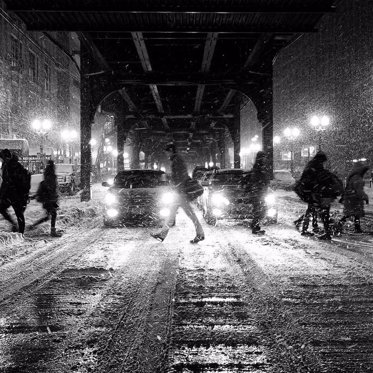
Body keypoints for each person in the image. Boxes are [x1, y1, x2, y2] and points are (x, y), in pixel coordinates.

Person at [151, 143, 205, 243]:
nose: (167, 155)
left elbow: (179, 177)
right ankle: (163, 234)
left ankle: (200, 233)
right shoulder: (177, 160)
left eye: (167, 152)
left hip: (181, 192)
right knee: (176, 213)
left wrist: (172, 182)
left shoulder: (176, 161)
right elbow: (180, 176)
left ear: (171, 151)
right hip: (180, 191)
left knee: (187, 214)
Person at [297, 151, 343, 240]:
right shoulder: (317, 169)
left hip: (316, 193)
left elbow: (308, 180)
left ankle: (306, 228)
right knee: (322, 213)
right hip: (320, 194)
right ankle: (327, 232)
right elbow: (315, 180)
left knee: (313, 211)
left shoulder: (312, 167)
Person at [0, 149, 30, 234]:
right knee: (17, 213)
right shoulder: (7, 165)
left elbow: (8, 182)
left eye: (2, 158)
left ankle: (20, 232)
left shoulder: (14, 166)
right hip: (12, 194)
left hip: (16, 194)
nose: (2, 159)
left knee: (18, 213)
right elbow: (6, 182)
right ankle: (17, 228)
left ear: (6, 157)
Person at [29, 160, 62, 237]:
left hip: (47, 199)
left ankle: (34, 225)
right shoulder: (52, 175)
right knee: (53, 214)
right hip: (50, 199)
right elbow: (52, 187)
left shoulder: (47, 173)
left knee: (48, 216)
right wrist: (54, 195)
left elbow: (45, 185)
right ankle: (52, 231)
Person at [335, 162, 369, 235]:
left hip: (350, 198)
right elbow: (359, 190)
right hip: (354, 199)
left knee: (352, 213)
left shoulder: (353, 177)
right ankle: (354, 227)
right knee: (353, 213)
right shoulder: (357, 178)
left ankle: (354, 227)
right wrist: (365, 197)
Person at [245, 151, 270, 235]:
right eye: (263, 157)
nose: (265, 159)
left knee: (260, 210)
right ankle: (255, 227)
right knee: (260, 211)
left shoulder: (258, 167)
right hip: (258, 193)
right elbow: (257, 180)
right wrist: (262, 186)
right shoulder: (259, 168)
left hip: (258, 192)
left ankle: (255, 226)